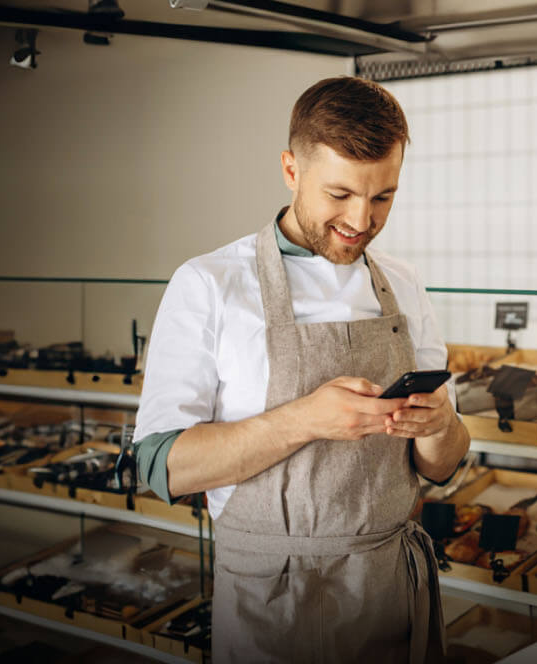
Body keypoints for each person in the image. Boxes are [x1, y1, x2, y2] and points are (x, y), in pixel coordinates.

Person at [132, 76, 469, 663]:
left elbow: (441, 467)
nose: (361, 220)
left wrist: (440, 427)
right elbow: (161, 466)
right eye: (339, 194)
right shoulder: (209, 284)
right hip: (274, 599)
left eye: (383, 196)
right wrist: (305, 420)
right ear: (291, 169)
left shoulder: (404, 283)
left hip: (392, 588)